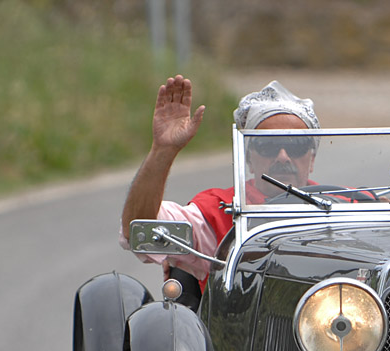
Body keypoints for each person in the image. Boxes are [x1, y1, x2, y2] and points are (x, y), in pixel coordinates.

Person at [119, 76, 319, 282]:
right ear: (249, 158)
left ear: (311, 159)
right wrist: (163, 150)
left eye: (296, 145)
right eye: (268, 145)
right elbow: (138, 230)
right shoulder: (218, 212)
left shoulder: (339, 208)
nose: (283, 157)